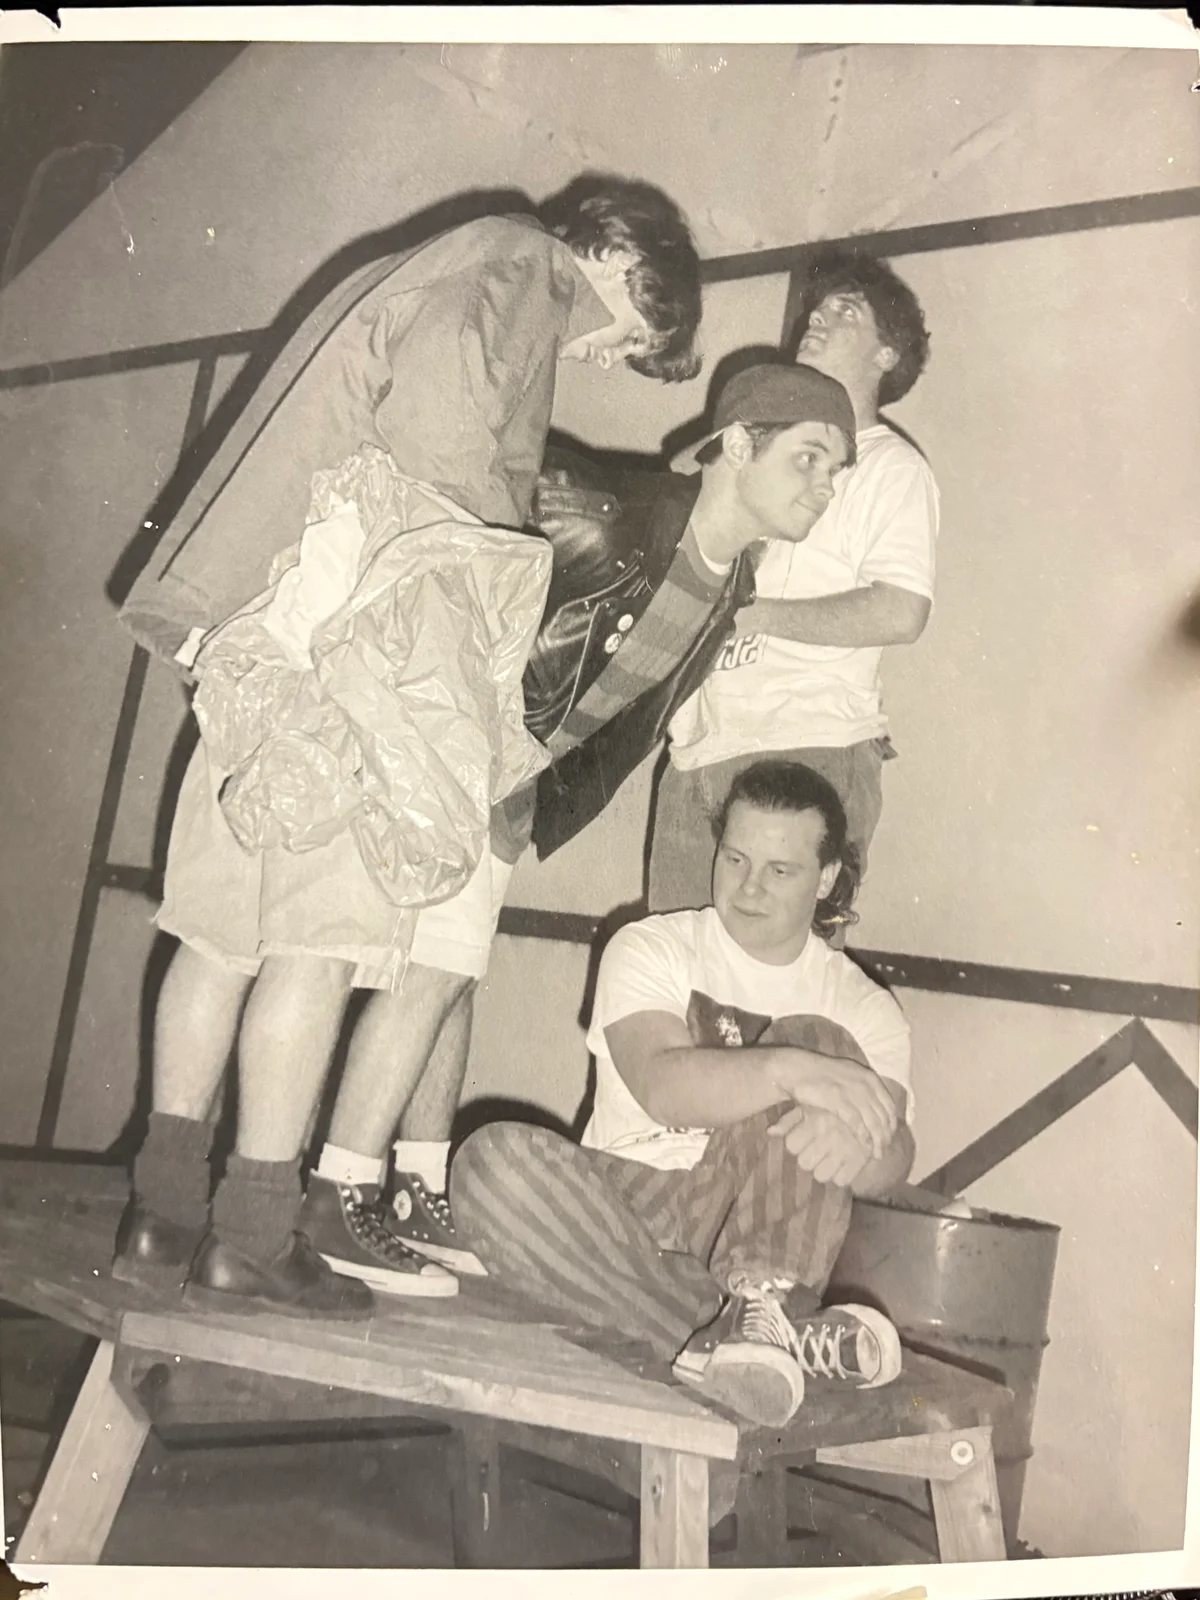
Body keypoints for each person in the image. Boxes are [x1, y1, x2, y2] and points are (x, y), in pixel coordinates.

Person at [111, 174, 704, 1320]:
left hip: (266, 624)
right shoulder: (524, 268)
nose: (600, 356)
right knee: (319, 944)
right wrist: (457, 691)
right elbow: (439, 473)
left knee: (223, 934)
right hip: (367, 635)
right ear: (621, 266)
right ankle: (251, 1232)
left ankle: (159, 1211)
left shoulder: (454, 256)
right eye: (628, 336)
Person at [301, 362, 863, 1297]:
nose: (824, 486)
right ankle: (337, 1193)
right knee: (430, 972)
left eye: (836, 470)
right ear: (735, 446)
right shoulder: (601, 513)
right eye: (808, 457)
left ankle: (414, 1187)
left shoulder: (732, 582)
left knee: (455, 975)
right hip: (455, 753)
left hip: (512, 783)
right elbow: (457, 527)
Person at [448, 759, 915, 1428]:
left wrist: (861, 1139)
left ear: (826, 878)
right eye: (735, 859)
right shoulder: (651, 946)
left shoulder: (864, 1008)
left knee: (822, 1039)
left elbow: (892, 1155)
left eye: (780, 871)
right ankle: (753, 1336)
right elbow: (662, 1086)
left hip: (758, 1210)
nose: (749, 887)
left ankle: (756, 1303)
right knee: (489, 1165)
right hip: (624, 1207)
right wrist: (792, 1072)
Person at [650, 248, 939, 916]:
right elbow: (675, 499)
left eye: (846, 311)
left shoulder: (893, 469)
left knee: (777, 973)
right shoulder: (759, 446)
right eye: (818, 308)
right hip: (698, 750)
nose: (818, 318)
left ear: (887, 355)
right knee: (674, 963)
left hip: (809, 746)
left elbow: (901, 612)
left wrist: (748, 615)